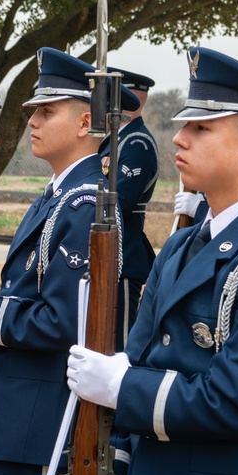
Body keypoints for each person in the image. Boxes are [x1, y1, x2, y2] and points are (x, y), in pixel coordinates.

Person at [66, 47, 238, 475]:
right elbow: (144, 355)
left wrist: (122, 388)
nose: (178, 138)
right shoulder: (182, 243)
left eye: (201, 127)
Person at [0, 47, 138, 475]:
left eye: (46, 112)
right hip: (12, 403)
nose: (31, 121)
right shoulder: (59, 193)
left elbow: (62, 322)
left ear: (87, 123)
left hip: (37, 410)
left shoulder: (86, 203)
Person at [101, 67, 159, 349]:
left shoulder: (136, 142)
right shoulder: (115, 138)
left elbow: (119, 201)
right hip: (108, 253)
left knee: (118, 346)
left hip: (124, 256)